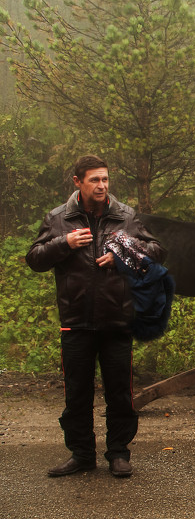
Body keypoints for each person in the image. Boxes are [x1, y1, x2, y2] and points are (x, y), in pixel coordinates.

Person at [26, 155, 165, 478]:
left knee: (120, 393)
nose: (102, 186)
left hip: (117, 320)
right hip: (75, 322)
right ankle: (82, 454)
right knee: (77, 394)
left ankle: (118, 453)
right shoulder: (58, 219)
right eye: (94, 180)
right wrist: (64, 243)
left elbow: (157, 250)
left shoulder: (125, 217)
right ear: (77, 182)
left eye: (105, 179)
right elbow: (34, 258)